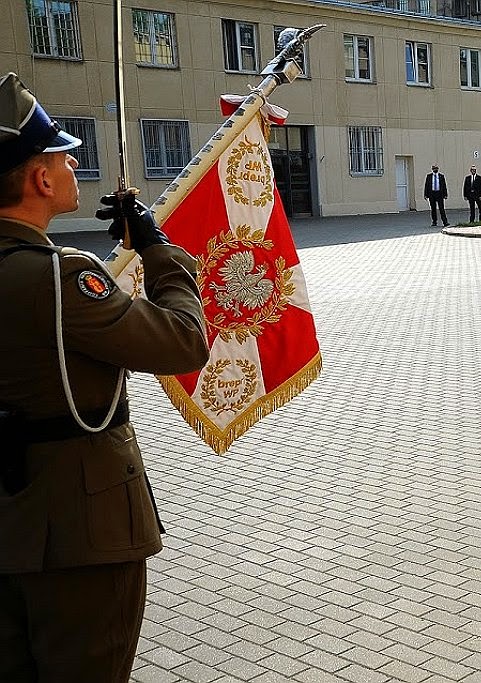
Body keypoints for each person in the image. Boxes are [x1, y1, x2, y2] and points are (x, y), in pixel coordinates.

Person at [0, 72, 209, 681]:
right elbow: (183, 340)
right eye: (63, 156)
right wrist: (158, 248)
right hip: (80, 536)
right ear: (40, 178)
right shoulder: (60, 278)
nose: (71, 166)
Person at [423, 163, 449, 227]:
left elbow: (444, 186)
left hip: (439, 194)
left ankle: (445, 222)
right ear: (432, 169)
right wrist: (425, 194)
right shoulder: (429, 176)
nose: (435, 169)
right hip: (432, 194)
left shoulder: (441, 176)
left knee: (441, 208)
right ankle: (434, 221)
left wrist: (445, 194)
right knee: (433, 208)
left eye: (436, 168)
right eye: (434, 168)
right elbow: (426, 185)